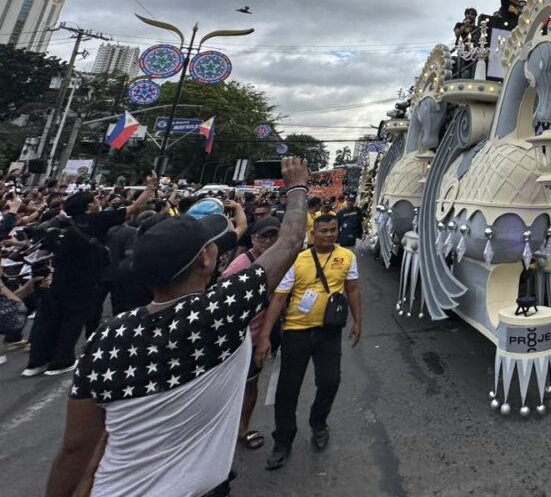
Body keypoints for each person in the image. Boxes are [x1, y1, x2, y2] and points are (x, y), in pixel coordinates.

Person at [44, 158, 311, 497]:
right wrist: (298, 187)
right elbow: (289, 243)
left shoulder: (107, 336)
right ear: (205, 260)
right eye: (211, 244)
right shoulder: (219, 313)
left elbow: (76, 449)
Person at [257, 213, 364, 470]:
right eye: (323, 231)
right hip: (296, 331)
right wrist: (264, 336)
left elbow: (352, 289)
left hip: (329, 332)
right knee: (287, 389)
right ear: (312, 234)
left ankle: (319, 424)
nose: (329, 234)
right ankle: (283, 440)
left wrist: (358, 321)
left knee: (330, 382)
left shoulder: (347, 257)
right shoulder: (297, 260)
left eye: (333, 230)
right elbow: (279, 299)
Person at [24, 176, 157, 377]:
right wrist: (150, 187)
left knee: (49, 319)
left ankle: (37, 362)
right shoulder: (97, 221)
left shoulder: (61, 224)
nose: (98, 203)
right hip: (84, 279)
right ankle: (61, 361)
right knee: (73, 320)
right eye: (94, 201)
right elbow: (133, 208)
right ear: (87, 207)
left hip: (56, 278)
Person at [222, 216, 281, 452]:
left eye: (273, 236)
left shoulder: (281, 262)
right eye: (263, 236)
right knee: (228, 389)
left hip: (260, 336)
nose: (268, 241)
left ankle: (243, 428)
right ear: (253, 239)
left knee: (251, 385)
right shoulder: (239, 265)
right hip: (236, 340)